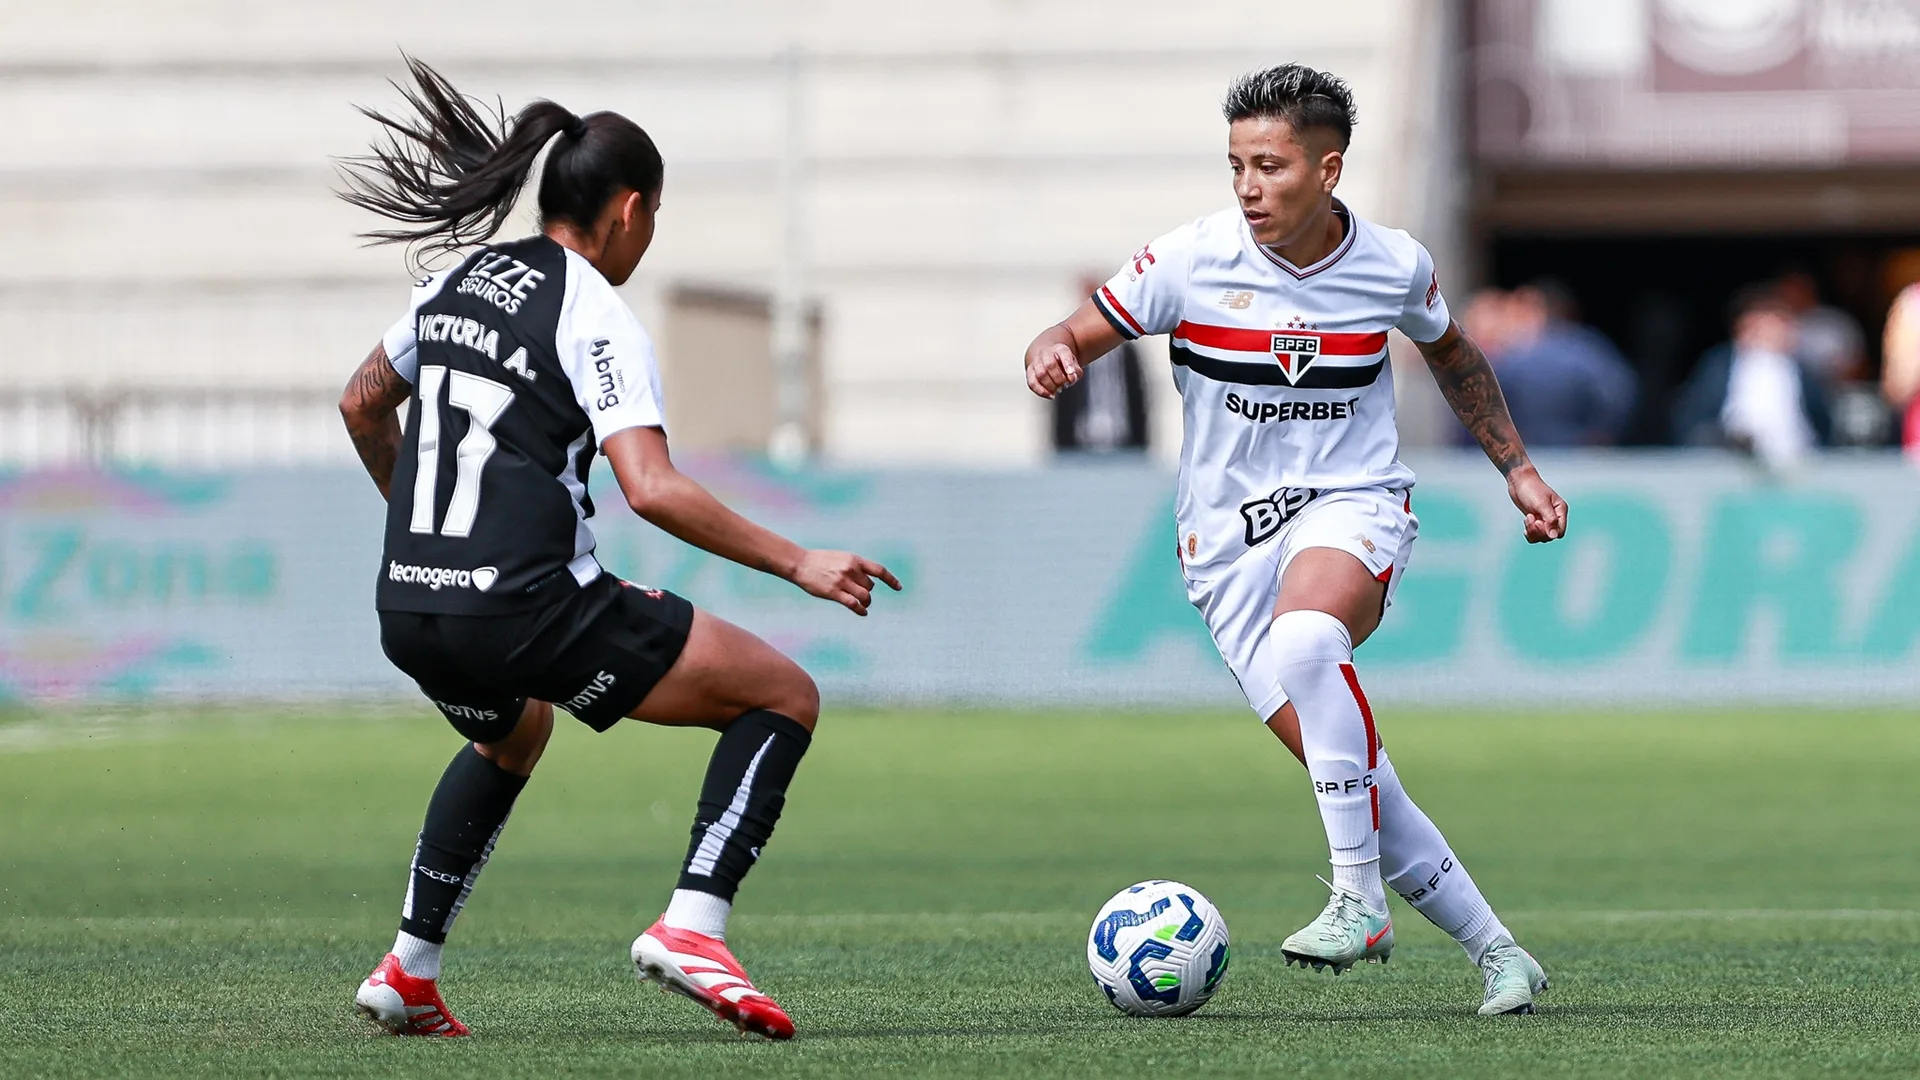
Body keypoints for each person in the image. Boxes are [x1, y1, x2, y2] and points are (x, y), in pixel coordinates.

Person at [333, 58, 899, 1040]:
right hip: (525, 606)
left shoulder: (459, 281)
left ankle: (409, 970)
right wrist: (798, 561)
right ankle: (694, 925)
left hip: (409, 606)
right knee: (783, 695)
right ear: (630, 211)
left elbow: (361, 398)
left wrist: (419, 529)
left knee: (513, 733)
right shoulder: (593, 311)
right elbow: (652, 486)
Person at [1022, 64, 1567, 1016]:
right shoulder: (1189, 260)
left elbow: (1452, 353)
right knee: (1355, 774)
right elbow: (1074, 331)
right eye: (1235, 165)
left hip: (1352, 505)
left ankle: (1356, 899)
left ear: (1329, 169)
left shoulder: (1393, 263)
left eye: (1268, 167)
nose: (1247, 187)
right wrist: (1053, 349)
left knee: (1309, 640)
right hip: (1226, 550)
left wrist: (1515, 467)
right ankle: (1501, 954)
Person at [1672, 286, 1831, 470]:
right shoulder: (1718, 365)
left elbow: (1821, 418)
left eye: (1777, 327)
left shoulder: (1803, 370)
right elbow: (1693, 411)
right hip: (1727, 460)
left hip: (1797, 461)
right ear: (1742, 329)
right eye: (1761, 327)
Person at [1491, 281, 1639, 447]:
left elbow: (1488, 402)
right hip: (1580, 452)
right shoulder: (1589, 350)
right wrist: (1602, 435)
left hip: (1526, 454)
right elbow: (1618, 393)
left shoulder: (1515, 356)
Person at [1052, 275, 1152, 452]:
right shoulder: (1068, 351)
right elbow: (1062, 403)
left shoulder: (1127, 350)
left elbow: (1138, 397)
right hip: (1079, 446)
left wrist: (1142, 443)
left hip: (1123, 443)